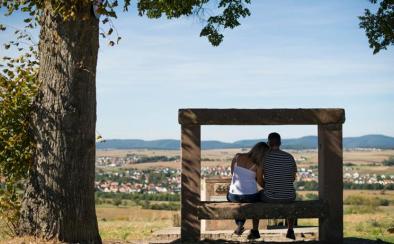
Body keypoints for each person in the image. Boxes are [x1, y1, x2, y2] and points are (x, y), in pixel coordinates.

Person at [227, 142, 269, 239]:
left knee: (237, 199)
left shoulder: (237, 157)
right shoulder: (258, 164)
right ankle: (255, 230)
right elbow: (260, 183)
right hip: (250, 196)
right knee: (257, 200)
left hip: (233, 195)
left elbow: (234, 174)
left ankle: (240, 224)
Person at [261, 132, 297, 240]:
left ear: (268, 143)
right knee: (289, 196)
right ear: (280, 143)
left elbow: (259, 178)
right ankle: (290, 230)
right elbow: (293, 178)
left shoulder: (264, 158)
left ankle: (255, 230)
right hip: (289, 196)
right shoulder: (289, 157)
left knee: (257, 195)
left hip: (270, 197)